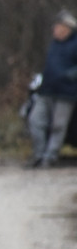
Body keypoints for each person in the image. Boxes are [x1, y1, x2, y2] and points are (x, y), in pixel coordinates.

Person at [25, 9, 77, 168]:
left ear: (66, 28)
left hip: (66, 93)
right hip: (46, 90)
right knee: (35, 121)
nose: (54, 29)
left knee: (58, 126)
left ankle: (50, 157)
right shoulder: (54, 43)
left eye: (57, 26)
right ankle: (38, 155)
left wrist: (69, 75)